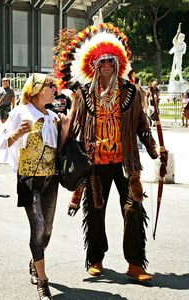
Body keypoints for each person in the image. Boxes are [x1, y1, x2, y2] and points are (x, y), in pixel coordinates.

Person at [55, 22, 165, 282]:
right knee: (94, 211)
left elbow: (142, 125)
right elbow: (75, 126)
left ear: (118, 64)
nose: (107, 65)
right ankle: (95, 258)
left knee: (133, 209)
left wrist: (154, 149)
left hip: (126, 162)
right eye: (102, 61)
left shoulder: (132, 92)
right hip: (96, 163)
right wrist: (63, 149)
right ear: (94, 64)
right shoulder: (83, 95)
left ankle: (135, 264)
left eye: (111, 61)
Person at [0, 73, 70, 300]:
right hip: (30, 179)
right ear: (38, 89)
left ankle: (34, 261)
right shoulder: (21, 112)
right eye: (50, 86)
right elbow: (3, 141)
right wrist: (19, 133)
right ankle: (42, 281)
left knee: (47, 231)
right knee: (38, 227)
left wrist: (65, 129)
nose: (54, 89)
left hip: (51, 180)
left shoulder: (52, 116)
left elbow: (59, 147)